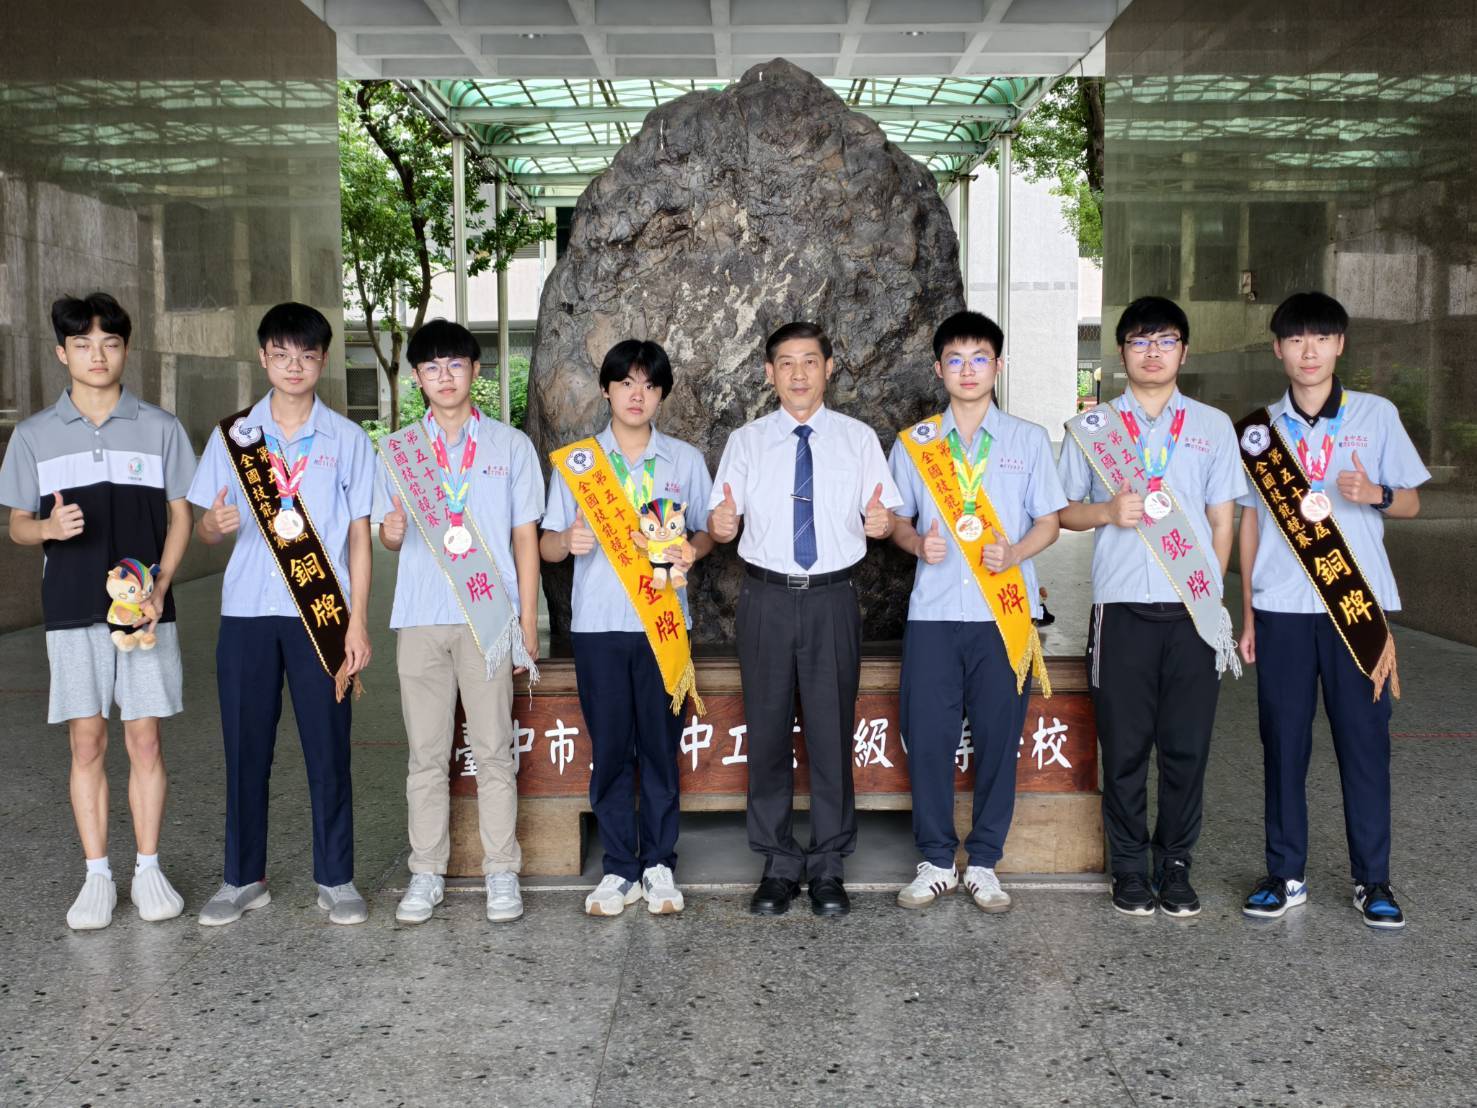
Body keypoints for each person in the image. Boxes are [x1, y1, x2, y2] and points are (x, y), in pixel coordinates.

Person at [0, 293, 195, 929]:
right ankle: (97, 876)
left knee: (145, 739)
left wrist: (161, 587)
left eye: (109, 343)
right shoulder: (33, 435)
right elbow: (17, 525)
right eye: (82, 344)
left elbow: (181, 515)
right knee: (86, 741)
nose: (97, 355)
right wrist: (47, 528)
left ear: (125, 348)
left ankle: (149, 867)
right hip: (71, 610)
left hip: (145, 612)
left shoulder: (160, 427)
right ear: (62, 353)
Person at [1235, 291, 1426, 930]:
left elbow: (1412, 503)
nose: (1309, 350)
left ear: (1340, 344)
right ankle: (1284, 874)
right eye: (1296, 339)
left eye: (1321, 338)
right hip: (1283, 607)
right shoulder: (1259, 432)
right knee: (1283, 744)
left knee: (1364, 744)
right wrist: (1248, 613)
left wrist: (1377, 493)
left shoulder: (1376, 414)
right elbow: (1250, 525)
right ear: (1278, 349)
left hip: (1357, 607)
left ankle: (1374, 880)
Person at [188, 302, 375, 926]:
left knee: (329, 750)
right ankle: (243, 878)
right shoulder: (233, 437)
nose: (294, 366)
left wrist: (357, 621)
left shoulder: (347, 440)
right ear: (263, 356)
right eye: (282, 354)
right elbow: (204, 526)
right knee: (245, 750)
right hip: (246, 614)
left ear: (323, 360)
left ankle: (336, 879)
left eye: (307, 355)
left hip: (320, 615)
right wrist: (212, 526)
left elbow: (359, 536)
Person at [1059, 296, 1245, 918]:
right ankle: (1130, 867)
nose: (1152, 352)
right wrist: (1107, 511)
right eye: (1140, 341)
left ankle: (1177, 863)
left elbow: (1223, 518)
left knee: (1187, 748)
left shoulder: (1212, 426)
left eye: (1165, 340)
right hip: (1121, 610)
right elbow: (1062, 513)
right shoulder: (1093, 428)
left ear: (1184, 352)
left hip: (1193, 611)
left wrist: (1208, 594)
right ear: (1122, 352)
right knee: (1125, 748)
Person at [708, 321, 901, 918]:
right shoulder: (746, 441)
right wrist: (720, 525)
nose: (798, 374)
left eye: (810, 361)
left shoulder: (858, 439)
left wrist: (882, 525)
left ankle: (828, 865)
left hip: (831, 600)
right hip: (764, 599)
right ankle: (777, 863)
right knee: (766, 731)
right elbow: (721, 518)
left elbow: (885, 516)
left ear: (829, 368)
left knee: (830, 733)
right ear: (769, 373)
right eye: (786, 363)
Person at [888, 310, 1065, 913]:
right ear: (939, 369)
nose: (968, 370)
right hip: (934, 615)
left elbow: (1050, 521)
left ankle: (985, 861)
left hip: (1004, 615)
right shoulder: (916, 443)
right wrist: (917, 543)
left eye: (980, 358)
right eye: (956, 360)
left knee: (998, 738)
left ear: (998, 366)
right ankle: (936, 860)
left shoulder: (1028, 439)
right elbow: (896, 521)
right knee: (928, 739)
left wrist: (1014, 552)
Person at [373, 320, 542, 925]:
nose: (444, 376)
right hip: (420, 618)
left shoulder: (510, 446)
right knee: (426, 755)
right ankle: (426, 872)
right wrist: (391, 533)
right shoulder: (398, 452)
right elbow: (388, 534)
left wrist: (527, 622)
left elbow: (525, 539)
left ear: (475, 370)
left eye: (455, 364)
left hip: (488, 620)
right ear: (417, 378)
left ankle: (502, 871)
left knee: (493, 750)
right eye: (431, 367)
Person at [542, 340, 713, 917]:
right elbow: (546, 543)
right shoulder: (579, 463)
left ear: (661, 394)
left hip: (664, 625)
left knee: (662, 749)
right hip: (599, 627)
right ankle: (619, 867)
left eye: (649, 384)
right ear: (606, 390)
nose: (637, 395)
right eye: (625, 383)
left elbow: (707, 532)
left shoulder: (684, 461)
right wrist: (567, 541)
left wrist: (695, 548)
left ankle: (660, 863)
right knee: (611, 748)